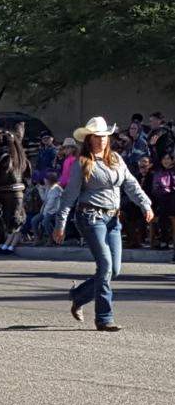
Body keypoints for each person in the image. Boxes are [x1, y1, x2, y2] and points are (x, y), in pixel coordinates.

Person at [54, 117, 153, 332]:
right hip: (90, 218)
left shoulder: (116, 159)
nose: (102, 141)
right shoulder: (83, 163)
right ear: (89, 140)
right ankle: (104, 318)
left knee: (113, 270)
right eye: (97, 137)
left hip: (113, 219)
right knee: (106, 265)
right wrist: (60, 223)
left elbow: (131, 184)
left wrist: (145, 204)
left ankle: (79, 295)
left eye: (105, 137)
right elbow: (69, 195)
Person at [152, 153, 175, 261]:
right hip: (162, 199)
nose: (166, 161)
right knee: (162, 210)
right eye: (164, 158)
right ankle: (164, 240)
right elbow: (155, 189)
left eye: (168, 158)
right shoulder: (158, 172)